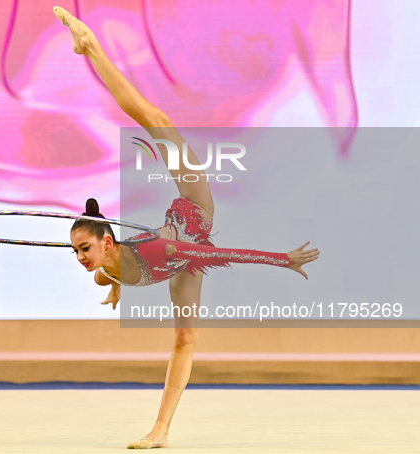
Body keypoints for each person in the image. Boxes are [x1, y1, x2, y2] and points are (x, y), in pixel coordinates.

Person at [54, 6, 319, 449]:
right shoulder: (104, 267)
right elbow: (109, 268)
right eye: (76, 253)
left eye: (84, 248)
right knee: (185, 338)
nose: (81, 260)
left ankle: (90, 46)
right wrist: (115, 282)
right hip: (167, 257)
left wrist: (282, 260)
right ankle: (162, 431)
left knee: (156, 121)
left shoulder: (150, 252)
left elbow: (218, 255)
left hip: (192, 215)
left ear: (106, 240)